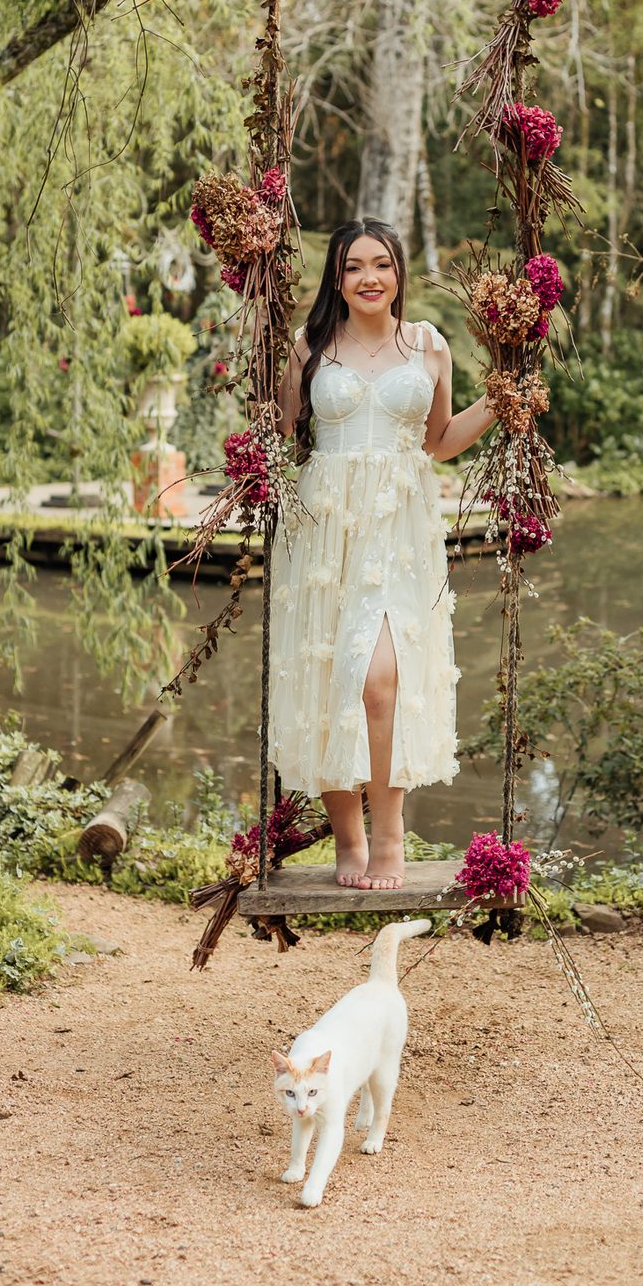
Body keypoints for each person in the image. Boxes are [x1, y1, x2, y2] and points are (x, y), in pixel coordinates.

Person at [272, 218, 494, 890]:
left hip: (400, 528)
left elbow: (439, 440)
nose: (368, 278)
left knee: (380, 682)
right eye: (352, 267)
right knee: (332, 678)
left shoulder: (427, 345)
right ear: (336, 280)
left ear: (399, 273)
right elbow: (282, 431)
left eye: (381, 264)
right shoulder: (310, 345)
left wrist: (503, 399)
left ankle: (390, 838)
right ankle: (349, 840)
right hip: (325, 530)